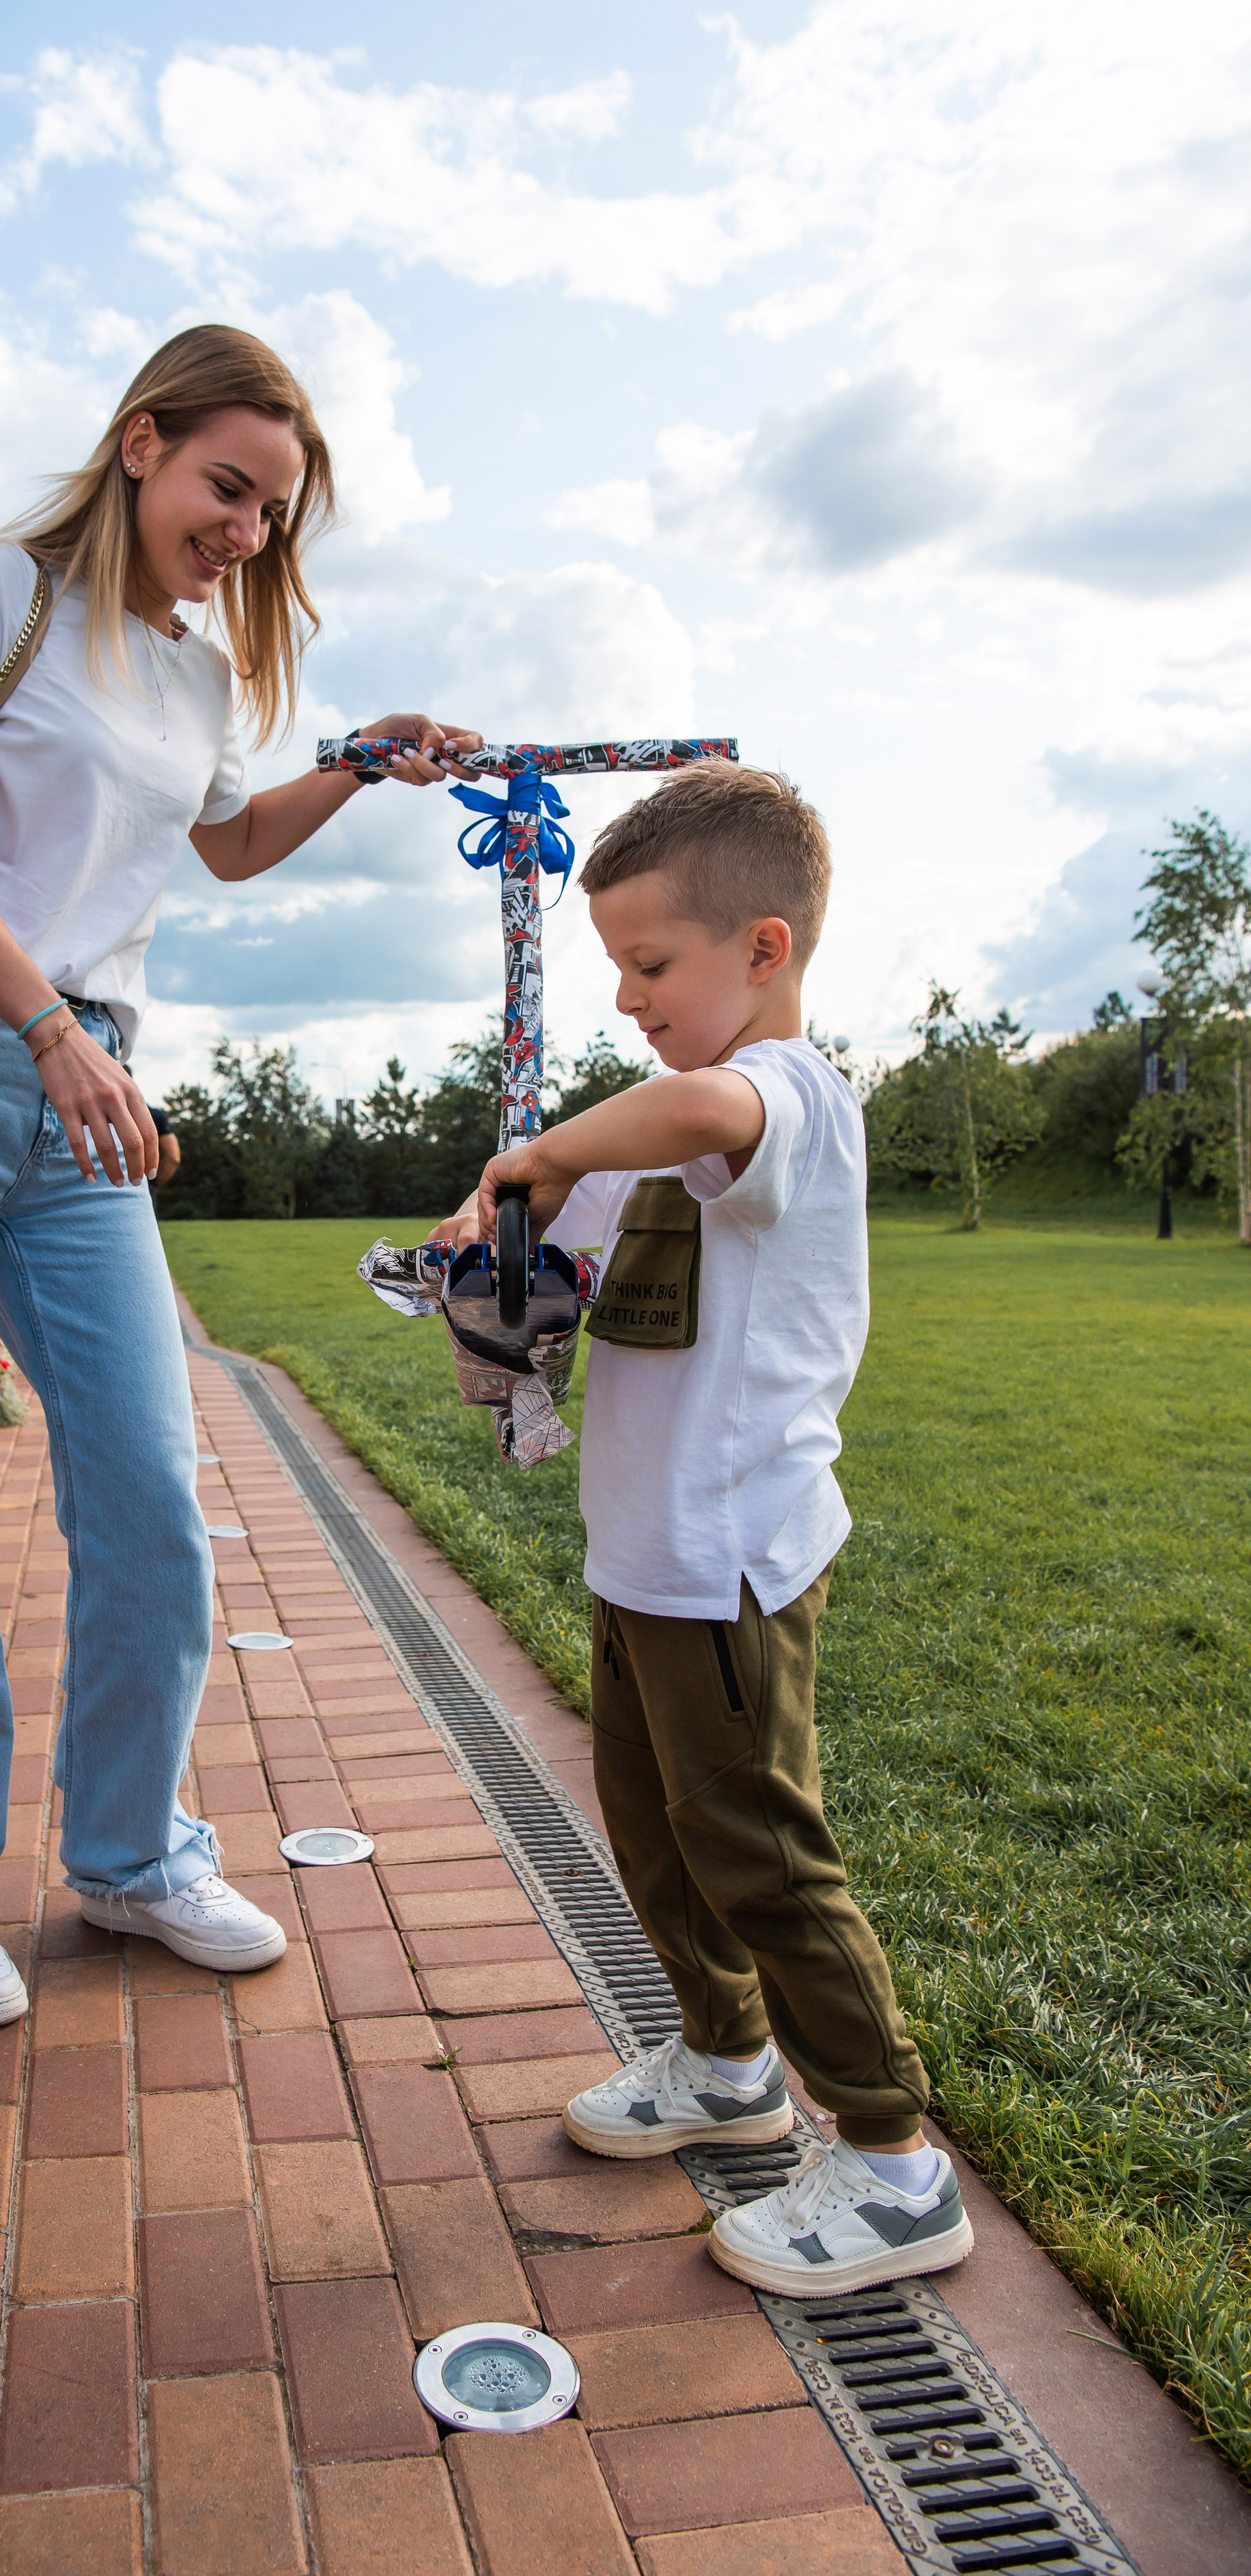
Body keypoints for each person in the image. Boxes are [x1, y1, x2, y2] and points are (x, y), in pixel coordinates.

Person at [0, 324, 476, 2029]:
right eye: (227, 485)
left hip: (80, 1096)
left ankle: (126, 1855)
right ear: (137, 444)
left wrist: (355, 757)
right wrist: (43, 1022)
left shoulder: (193, 670)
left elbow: (226, 839)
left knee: (150, 1502)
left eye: (273, 508)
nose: (248, 529)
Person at [433, 762, 972, 2295]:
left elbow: (693, 1106)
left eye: (649, 966)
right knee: (654, 1830)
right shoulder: (653, 1137)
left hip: (731, 1555)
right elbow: (566, 1260)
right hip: (641, 1552)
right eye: (608, 969)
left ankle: (889, 2162)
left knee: (755, 1846)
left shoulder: (785, 1099)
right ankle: (726, 2061)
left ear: (765, 951)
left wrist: (553, 1148)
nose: (625, 998)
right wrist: (487, 1242)